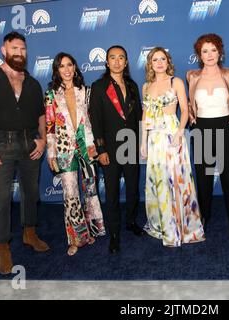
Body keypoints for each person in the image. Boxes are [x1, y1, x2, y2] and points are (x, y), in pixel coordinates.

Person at [0, 31, 49, 275]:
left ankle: (29, 233)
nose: (19, 53)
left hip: (30, 143)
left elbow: (40, 116)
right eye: (14, 48)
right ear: (3, 50)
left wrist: (44, 139)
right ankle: (3, 246)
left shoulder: (34, 83)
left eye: (23, 49)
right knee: (1, 199)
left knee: (31, 192)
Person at [140, 47, 205, 247]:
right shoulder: (146, 86)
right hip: (154, 139)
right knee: (159, 181)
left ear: (168, 62)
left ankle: (184, 227)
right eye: (155, 60)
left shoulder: (175, 82)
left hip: (172, 133)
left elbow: (185, 110)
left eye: (163, 59)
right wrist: (143, 142)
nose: (159, 63)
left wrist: (179, 133)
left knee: (177, 179)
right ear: (150, 64)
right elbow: (145, 116)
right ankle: (164, 226)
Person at [45, 52, 105, 256]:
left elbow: (93, 120)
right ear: (56, 70)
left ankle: (93, 230)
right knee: (70, 194)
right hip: (63, 149)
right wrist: (51, 153)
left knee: (90, 189)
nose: (67, 69)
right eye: (62, 66)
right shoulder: (51, 94)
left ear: (75, 67)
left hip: (86, 146)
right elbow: (50, 126)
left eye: (70, 65)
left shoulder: (86, 91)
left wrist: (95, 145)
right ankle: (76, 238)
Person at [186, 33, 229, 238]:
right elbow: (189, 103)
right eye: (204, 51)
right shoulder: (192, 76)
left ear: (220, 52)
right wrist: (192, 119)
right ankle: (204, 217)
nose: (209, 55)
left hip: (225, 127)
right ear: (199, 55)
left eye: (213, 50)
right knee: (203, 177)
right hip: (201, 129)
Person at [89, 45, 144, 254]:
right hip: (109, 148)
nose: (117, 61)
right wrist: (101, 149)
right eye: (113, 57)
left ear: (126, 62)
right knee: (111, 192)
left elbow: (138, 116)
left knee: (132, 188)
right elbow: (95, 120)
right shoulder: (98, 86)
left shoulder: (132, 85)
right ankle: (114, 233)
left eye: (121, 57)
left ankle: (131, 222)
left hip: (130, 144)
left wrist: (140, 142)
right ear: (106, 62)